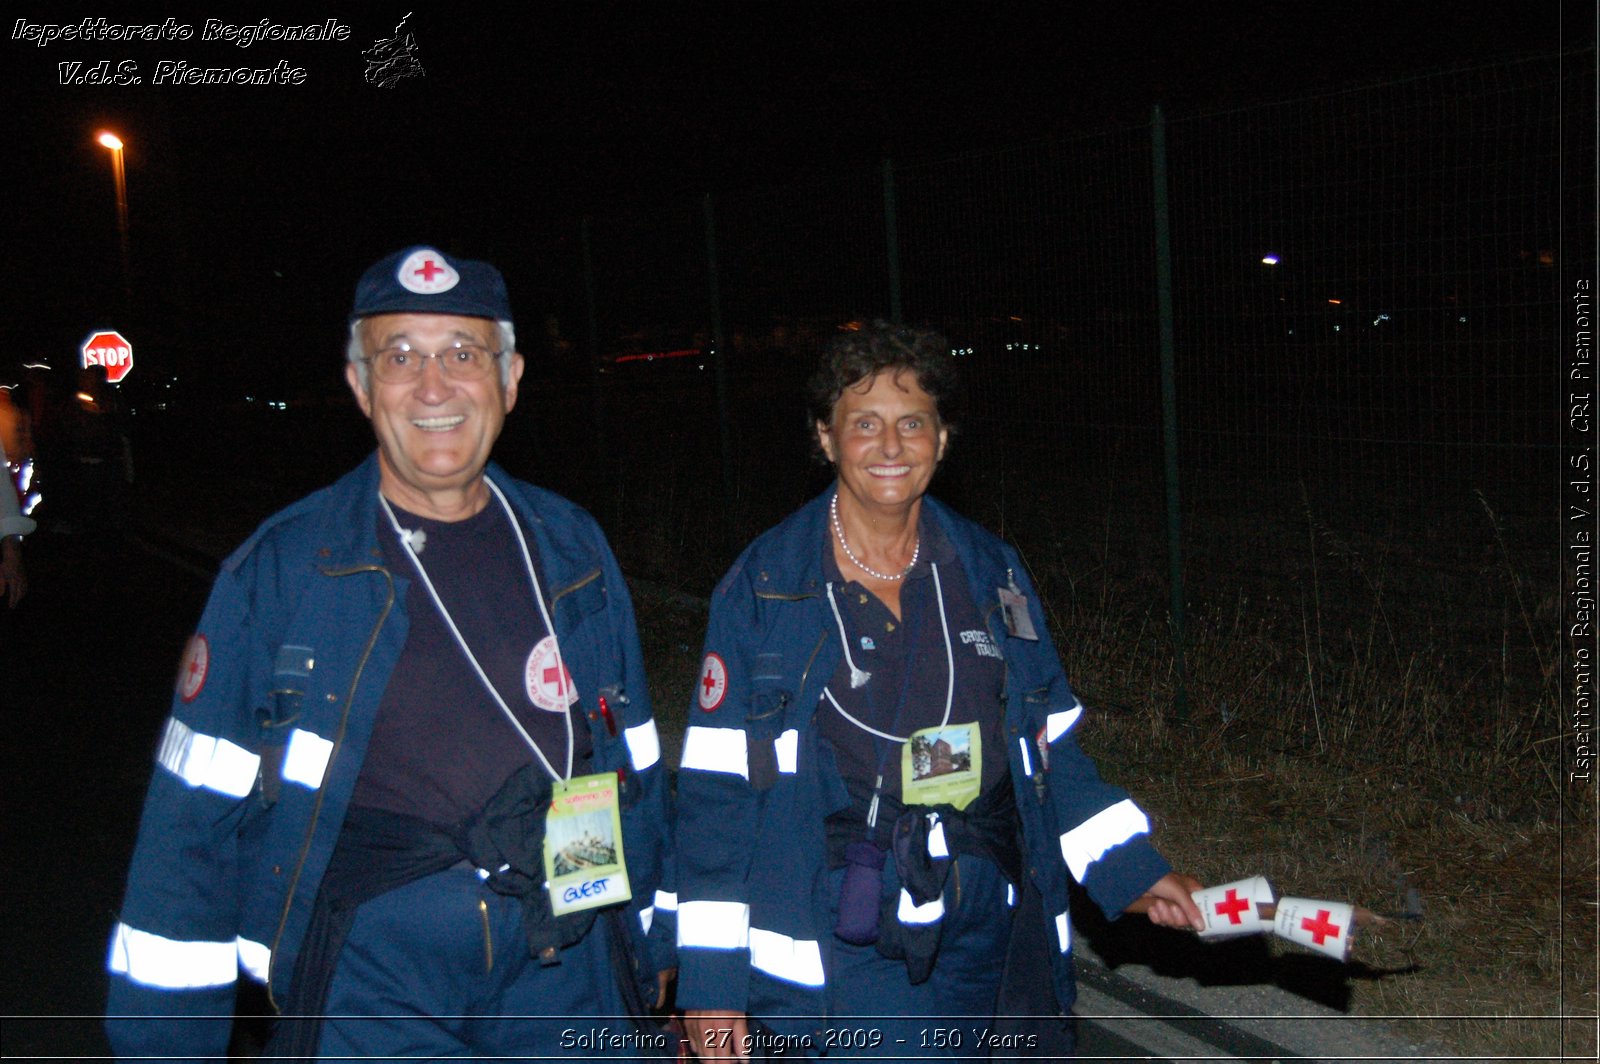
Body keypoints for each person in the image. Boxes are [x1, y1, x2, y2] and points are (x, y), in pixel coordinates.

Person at [106, 246, 675, 1061]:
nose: (434, 386)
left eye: (462, 355)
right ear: (360, 386)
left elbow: (638, 765)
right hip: (374, 974)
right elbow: (192, 823)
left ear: (510, 379)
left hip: (569, 950)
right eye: (400, 357)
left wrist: (651, 942)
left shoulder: (570, 544)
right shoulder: (285, 569)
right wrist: (164, 1044)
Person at [674, 322, 1203, 1059]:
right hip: (847, 913)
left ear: (943, 440)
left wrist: (1130, 867)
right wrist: (710, 978)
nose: (890, 446)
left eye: (912, 422)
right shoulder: (766, 586)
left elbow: (1050, 747)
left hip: (982, 895)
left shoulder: (991, 570)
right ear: (826, 439)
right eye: (865, 424)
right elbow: (715, 799)